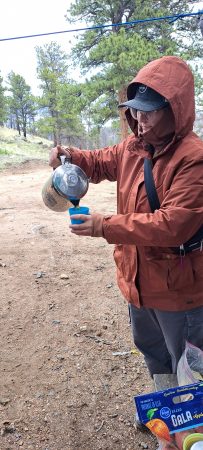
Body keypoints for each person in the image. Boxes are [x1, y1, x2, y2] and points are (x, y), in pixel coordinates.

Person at [49, 55, 203, 379]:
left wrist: (104, 226)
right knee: (155, 356)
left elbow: (172, 225)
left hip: (178, 289)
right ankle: (164, 416)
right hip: (138, 282)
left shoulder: (193, 159)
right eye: (135, 110)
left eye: (148, 112)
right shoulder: (134, 147)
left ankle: (192, 427)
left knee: (190, 367)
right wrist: (70, 157)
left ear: (173, 110)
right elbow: (99, 162)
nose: (139, 119)